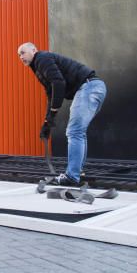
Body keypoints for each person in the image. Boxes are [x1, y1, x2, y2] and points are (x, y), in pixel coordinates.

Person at [17, 43, 107, 186]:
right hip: (95, 87)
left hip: (88, 87)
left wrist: (53, 111)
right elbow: (51, 93)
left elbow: (59, 83)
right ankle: (77, 172)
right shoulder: (39, 67)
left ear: (34, 50)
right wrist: (47, 122)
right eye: (19, 55)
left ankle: (72, 176)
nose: (21, 57)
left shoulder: (42, 58)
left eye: (23, 52)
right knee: (79, 132)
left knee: (74, 131)